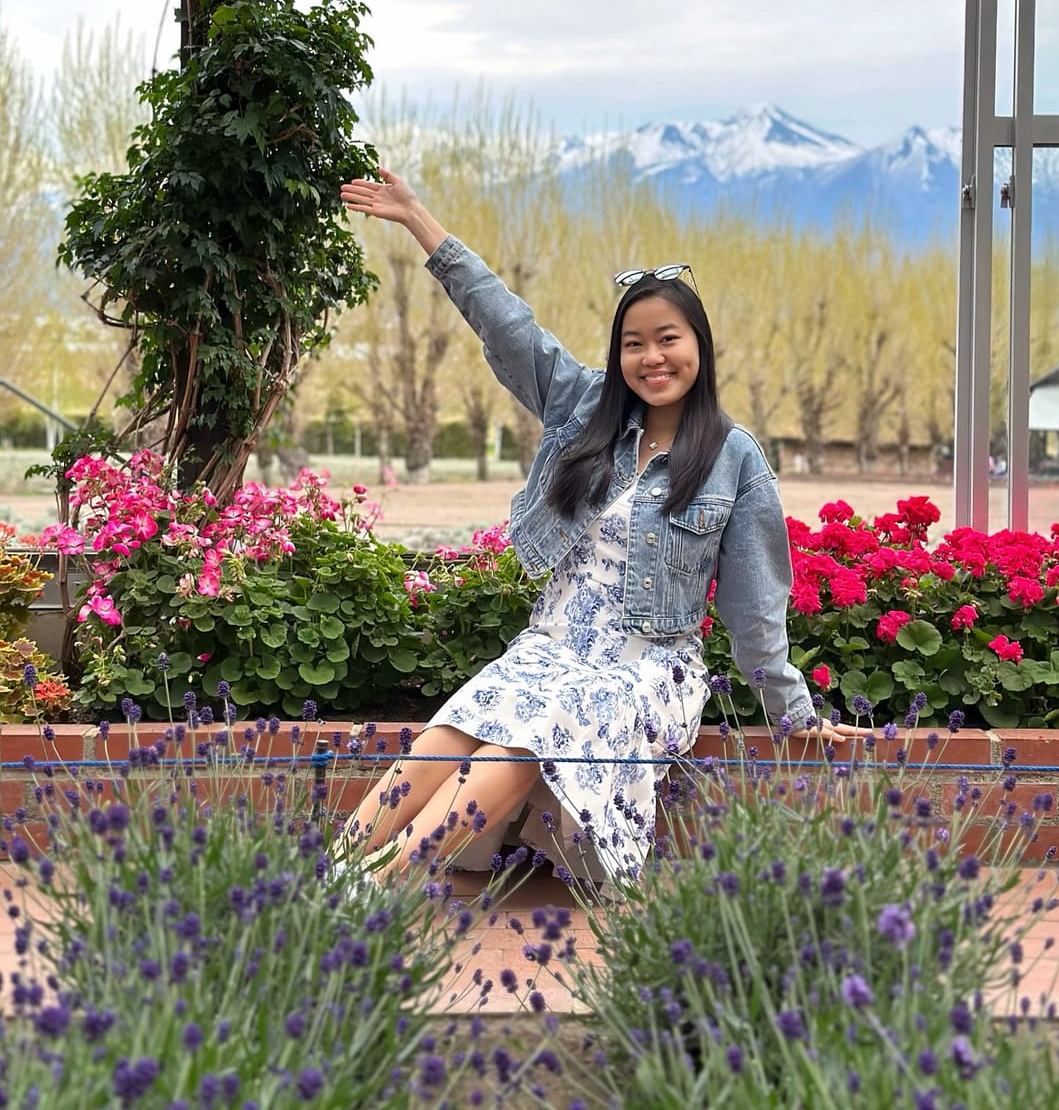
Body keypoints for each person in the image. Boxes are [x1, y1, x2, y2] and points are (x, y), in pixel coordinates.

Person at [338, 169, 854, 883]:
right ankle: (332, 864)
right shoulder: (584, 406)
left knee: (529, 734)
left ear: (698, 346)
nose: (651, 358)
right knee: (465, 719)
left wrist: (794, 714)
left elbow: (755, 609)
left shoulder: (735, 460)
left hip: (646, 669)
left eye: (667, 339)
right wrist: (418, 219)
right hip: (551, 645)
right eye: (634, 344)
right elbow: (504, 321)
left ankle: (384, 880)